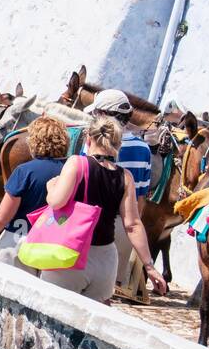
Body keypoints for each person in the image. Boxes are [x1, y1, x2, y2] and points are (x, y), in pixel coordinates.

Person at [40, 117, 167, 302]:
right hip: (105, 261)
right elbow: (132, 225)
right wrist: (149, 266)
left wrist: (51, 186)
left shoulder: (77, 163)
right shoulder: (126, 177)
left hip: (70, 256)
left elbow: (56, 202)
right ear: (118, 144)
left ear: (88, 140)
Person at [0, 116, 69, 272]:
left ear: (34, 141)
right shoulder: (71, 172)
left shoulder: (25, 171)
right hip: (54, 247)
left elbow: (1, 217)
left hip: (18, 242)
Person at [86, 89, 152, 288]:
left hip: (91, 221)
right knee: (107, 292)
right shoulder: (143, 148)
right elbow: (140, 198)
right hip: (125, 228)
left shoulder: (92, 142)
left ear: (103, 115)